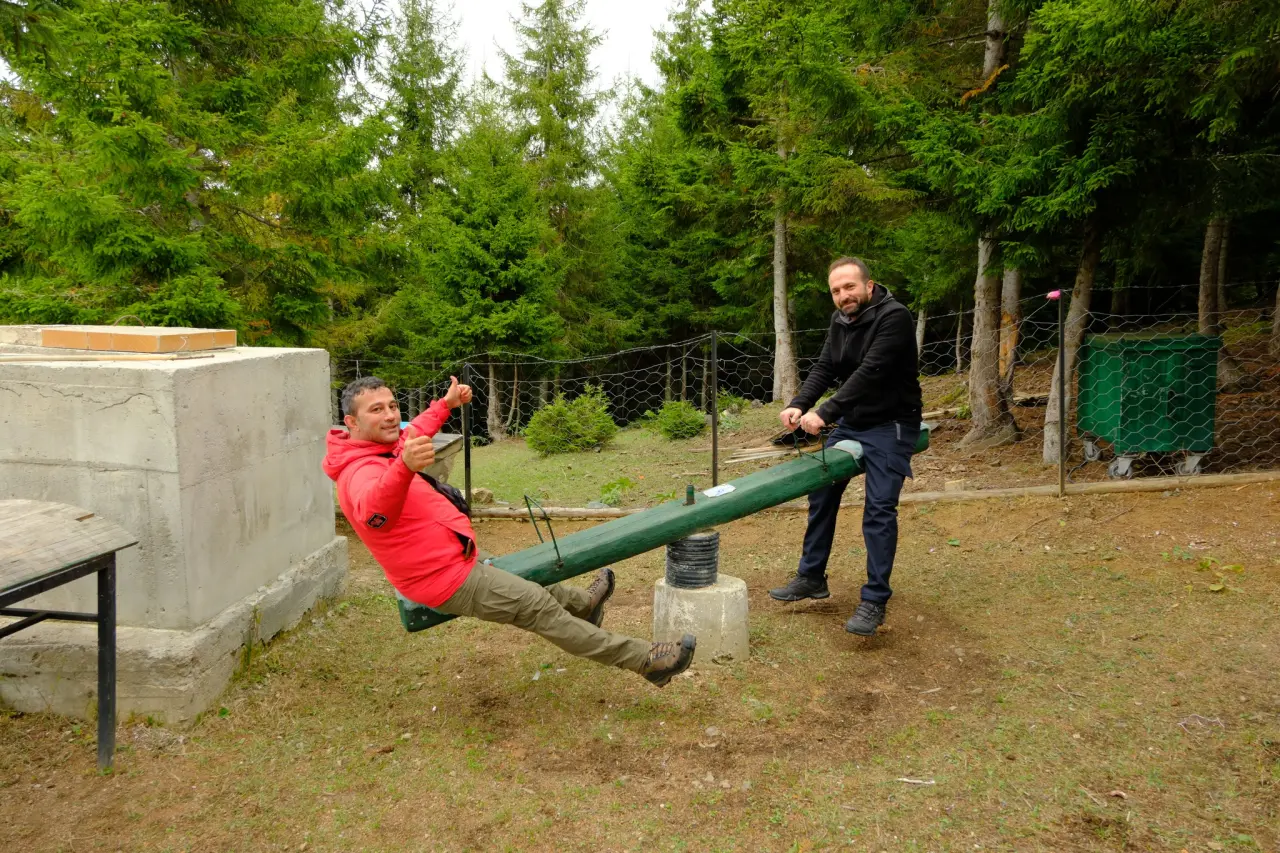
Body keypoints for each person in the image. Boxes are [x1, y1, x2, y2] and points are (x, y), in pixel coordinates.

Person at [322, 375, 695, 686]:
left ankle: (586, 606)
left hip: (456, 556)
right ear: (351, 422)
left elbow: (414, 429)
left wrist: (445, 405)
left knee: (531, 577)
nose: (389, 416)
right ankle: (646, 661)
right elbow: (376, 514)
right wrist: (403, 468)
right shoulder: (359, 473)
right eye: (376, 410)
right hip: (441, 579)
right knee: (537, 606)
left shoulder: (380, 446)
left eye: (392, 406)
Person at [768, 257, 924, 636]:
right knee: (821, 493)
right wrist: (798, 403)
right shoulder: (841, 322)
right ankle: (811, 576)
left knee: (879, 510)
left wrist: (824, 412)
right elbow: (824, 367)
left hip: (892, 425)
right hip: (853, 423)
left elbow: (871, 372)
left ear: (869, 286)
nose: (843, 296)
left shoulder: (895, 317)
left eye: (849, 287)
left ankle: (874, 600)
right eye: (836, 291)